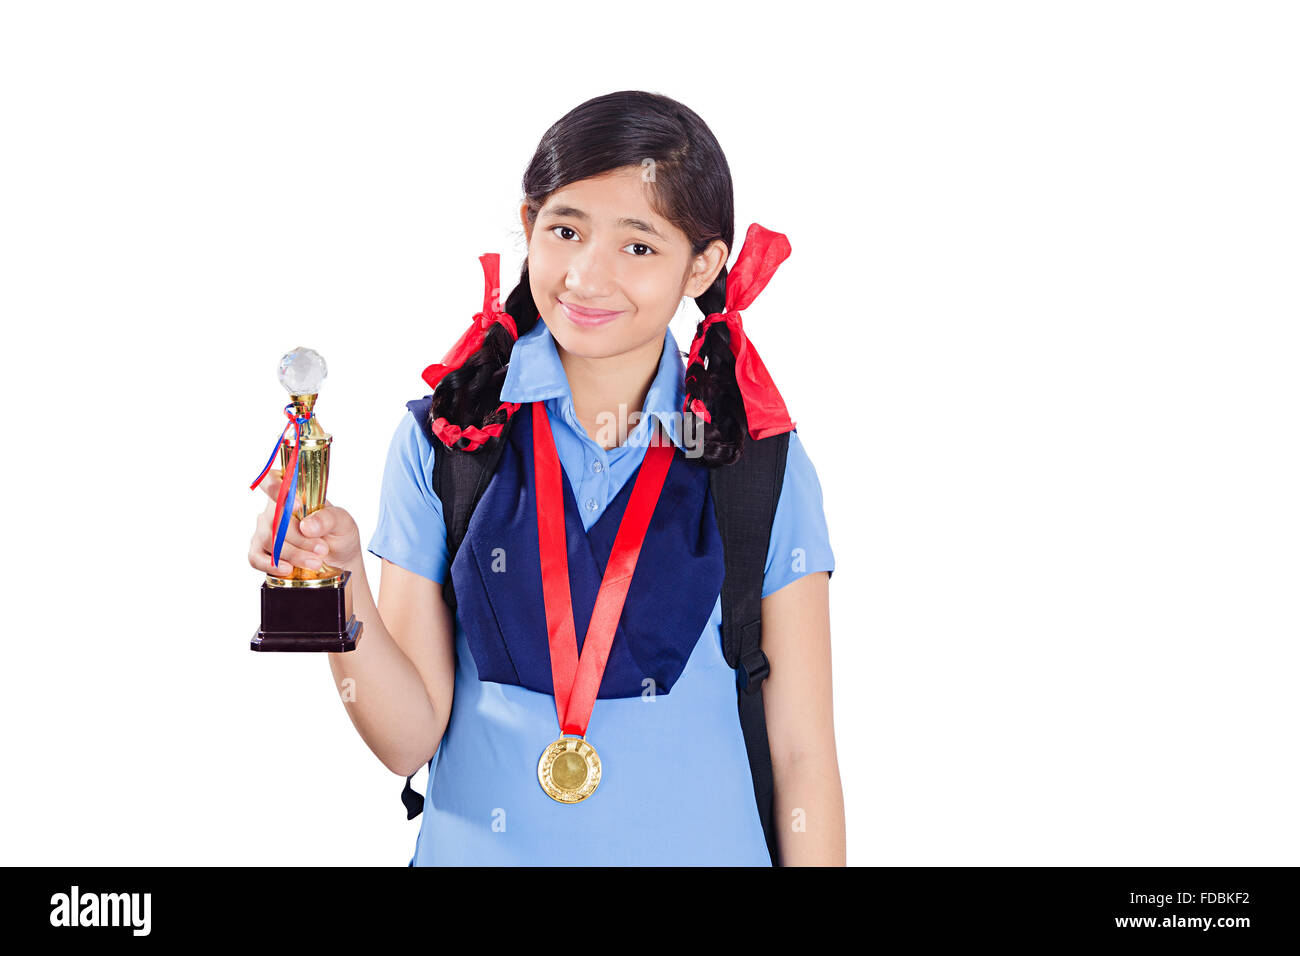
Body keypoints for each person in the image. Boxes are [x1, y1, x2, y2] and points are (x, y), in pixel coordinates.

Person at [247, 90, 845, 865]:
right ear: (528, 228)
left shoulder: (756, 460)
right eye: (566, 230)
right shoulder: (448, 444)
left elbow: (804, 756)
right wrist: (339, 580)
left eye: (638, 247)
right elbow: (405, 740)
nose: (587, 277)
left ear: (703, 266)